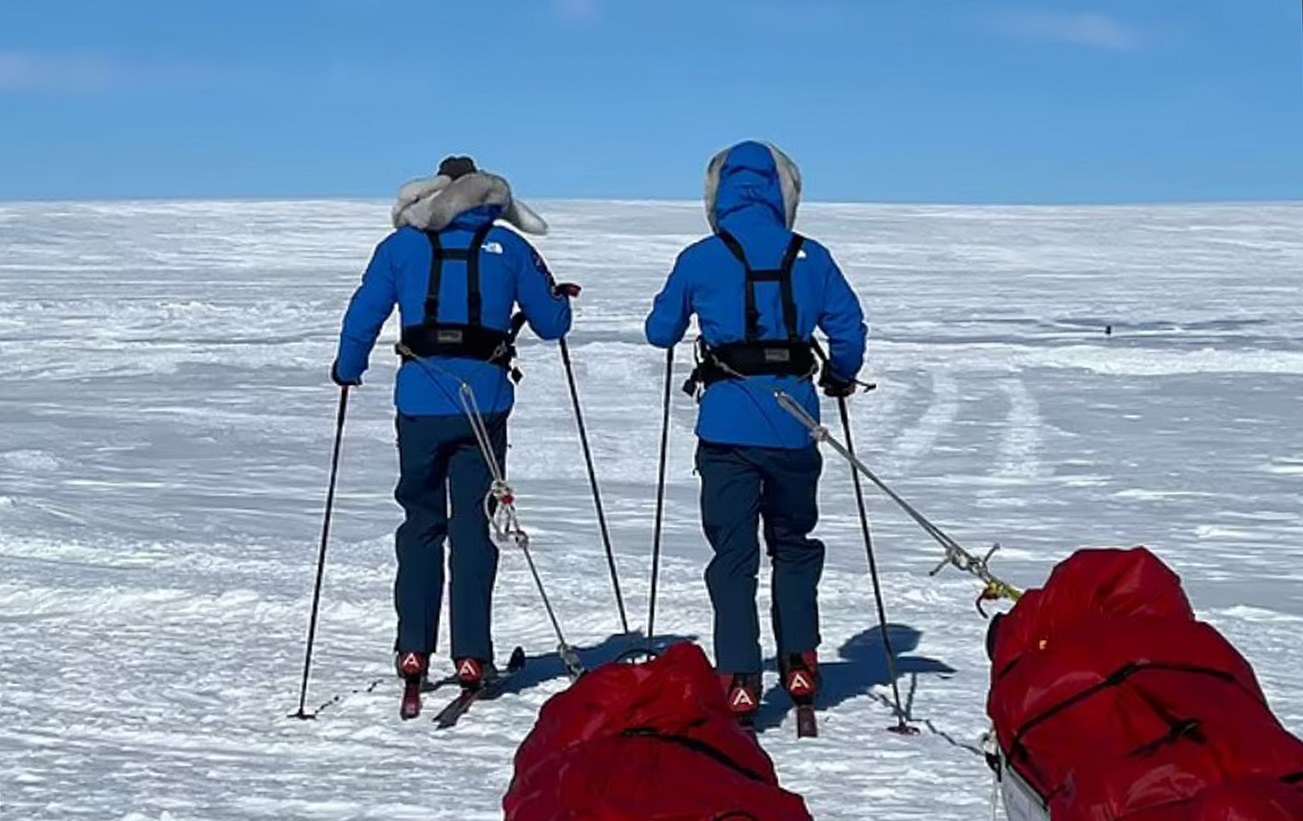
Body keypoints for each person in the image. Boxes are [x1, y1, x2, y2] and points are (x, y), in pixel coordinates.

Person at [332, 156, 574, 713]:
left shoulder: (401, 247)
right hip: (483, 407)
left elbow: (365, 309)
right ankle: (472, 655)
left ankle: (413, 651)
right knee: (473, 527)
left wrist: (349, 367)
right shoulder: (510, 248)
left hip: (418, 402)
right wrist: (557, 298)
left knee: (420, 522)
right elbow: (553, 325)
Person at [644, 140, 867, 723]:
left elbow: (660, 332)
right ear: (782, 191)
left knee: (734, 555)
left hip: (726, 432)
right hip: (795, 428)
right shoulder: (810, 256)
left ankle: (739, 676)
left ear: (717, 193)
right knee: (793, 547)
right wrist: (841, 375)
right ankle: (800, 661)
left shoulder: (700, 257)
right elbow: (849, 329)